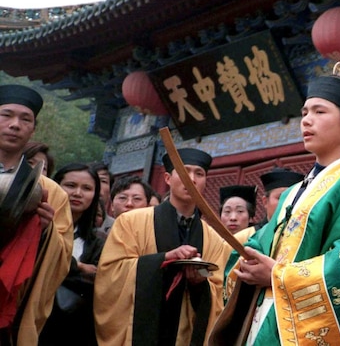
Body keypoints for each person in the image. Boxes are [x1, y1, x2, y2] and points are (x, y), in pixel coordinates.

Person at [214, 57, 340, 345]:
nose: (306, 120)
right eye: (305, 111)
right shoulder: (293, 191)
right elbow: (261, 243)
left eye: (320, 111)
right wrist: (247, 260)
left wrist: (276, 274)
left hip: (300, 327)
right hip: (265, 314)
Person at [94, 148, 231, 346]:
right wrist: (163, 259)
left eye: (199, 173)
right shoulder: (131, 222)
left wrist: (199, 284)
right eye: (184, 171)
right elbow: (111, 274)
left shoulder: (214, 239)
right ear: (167, 178)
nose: (191, 178)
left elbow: (220, 294)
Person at [0, 84, 73, 345]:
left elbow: (63, 255)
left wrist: (45, 232)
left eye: (25, 119)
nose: (15, 124)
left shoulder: (50, 191)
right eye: (6, 115)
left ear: (33, 129)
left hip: (10, 304)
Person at [39, 163, 105, 346]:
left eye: (87, 188)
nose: (78, 193)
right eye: (70, 185)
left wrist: (64, 267)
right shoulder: (39, 226)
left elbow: (98, 279)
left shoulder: (97, 242)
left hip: (71, 328)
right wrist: (79, 268)